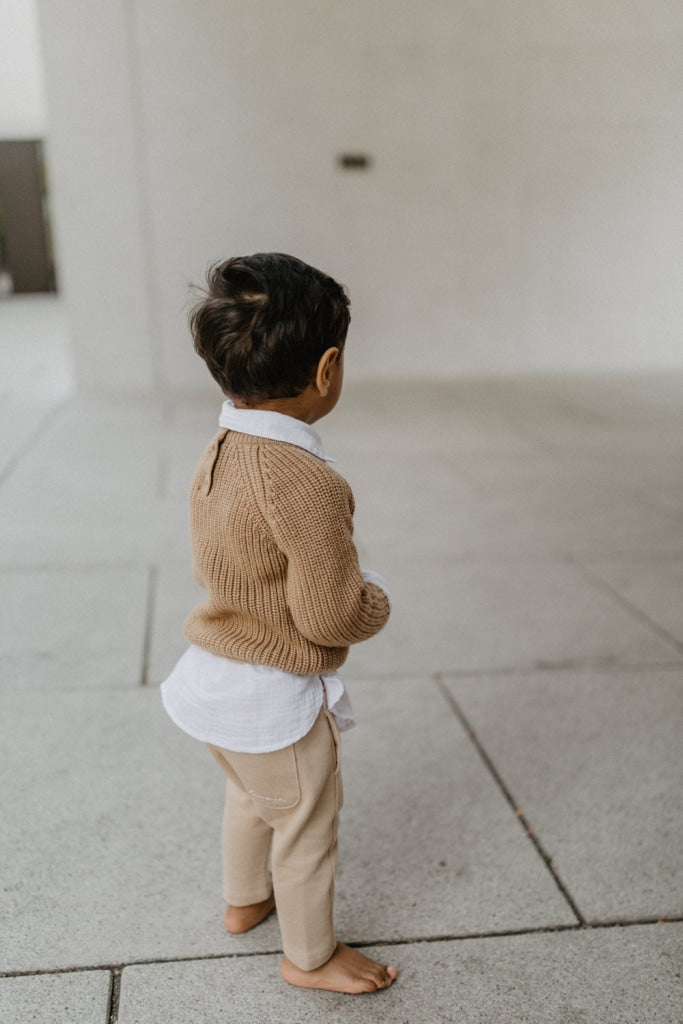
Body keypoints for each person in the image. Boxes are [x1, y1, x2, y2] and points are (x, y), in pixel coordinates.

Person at [161, 253, 397, 994]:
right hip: (273, 695)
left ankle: (243, 902)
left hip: (213, 680)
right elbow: (329, 611)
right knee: (304, 827)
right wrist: (375, 599)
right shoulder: (308, 481)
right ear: (327, 369)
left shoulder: (221, 448)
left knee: (249, 797)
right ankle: (310, 955)